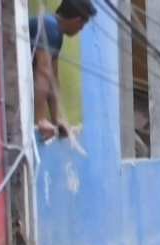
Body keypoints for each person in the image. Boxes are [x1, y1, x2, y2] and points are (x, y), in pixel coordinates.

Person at [29, 0, 95, 141]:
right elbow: (43, 71)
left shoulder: (55, 31)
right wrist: (39, 119)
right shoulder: (50, 27)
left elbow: (53, 77)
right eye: (82, 25)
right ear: (77, 20)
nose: (81, 30)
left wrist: (56, 118)